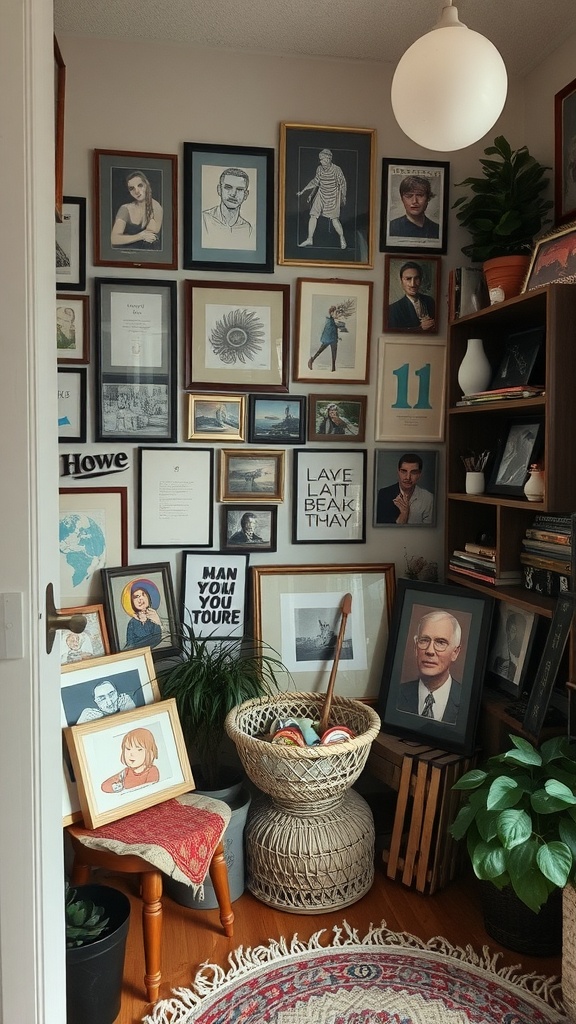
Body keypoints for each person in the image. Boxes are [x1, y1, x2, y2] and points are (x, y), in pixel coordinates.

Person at [396, 610, 462, 725]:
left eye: (441, 642)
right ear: (416, 647)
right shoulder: (396, 694)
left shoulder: (466, 701)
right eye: (424, 640)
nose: (430, 651)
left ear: (455, 652)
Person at [297, 148, 347, 249]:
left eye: (323, 159)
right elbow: (316, 182)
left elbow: (343, 184)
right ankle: (309, 239)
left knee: (334, 219)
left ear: (328, 159)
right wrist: (305, 191)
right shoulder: (319, 169)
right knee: (313, 215)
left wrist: (343, 196)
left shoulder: (337, 170)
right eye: (320, 159)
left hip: (333, 196)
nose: (321, 161)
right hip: (321, 194)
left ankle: (342, 238)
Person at [111, 169, 163, 250]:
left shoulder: (157, 207)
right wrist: (140, 236)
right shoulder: (125, 209)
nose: (136, 191)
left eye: (140, 185)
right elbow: (114, 239)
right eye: (132, 188)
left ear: (146, 185)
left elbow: (152, 236)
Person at [376, 453, 434, 524]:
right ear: (398, 472)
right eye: (404, 471)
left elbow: (427, 532)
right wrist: (404, 514)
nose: (408, 477)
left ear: (419, 475)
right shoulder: (383, 494)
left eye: (413, 472)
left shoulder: (429, 498)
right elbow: (382, 531)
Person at [202, 167, 253, 247]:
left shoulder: (247, 228)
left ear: (245, 195)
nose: (233, 194)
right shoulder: (203, 219)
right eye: (228, 187)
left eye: (239, 189)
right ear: (219, 190)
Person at [101, 727, 159, 793]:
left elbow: (152, 790)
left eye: (139, 749)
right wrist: (118, 786)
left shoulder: (152, 771)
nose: (131, 754)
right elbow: (104, 786)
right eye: (128, 749)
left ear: (150, 753)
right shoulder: (125, 772)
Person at [388, 261, 436, 332]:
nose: (413, 284)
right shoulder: (393, 309)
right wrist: (420, 328)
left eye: (416, 278)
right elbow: (394, 335)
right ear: (401, 281)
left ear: (421, 280)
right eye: (408, 279)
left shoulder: (430, 301)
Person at [389, 175, 439, 240]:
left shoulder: (437, 229)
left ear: (428, 198)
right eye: (409, 196)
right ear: (402, 199)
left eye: (420, 195)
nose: (414, 201)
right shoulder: (392, 228)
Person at [307, 305, 347, 372]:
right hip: (328, 339)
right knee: (320, 351)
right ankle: (312, 360)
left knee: (334, 354)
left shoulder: (334, 321)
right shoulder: (329, 321)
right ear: (331, 313)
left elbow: (335, 329)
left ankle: (333, 368)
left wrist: (338, 336)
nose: (336, 314)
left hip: (333, 339)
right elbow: (329, 330)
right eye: (335, 313)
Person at [124, 583, 163, 650]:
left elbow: (158, 638)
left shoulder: (154, 617)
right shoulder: (132, 622)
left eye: (143, 595)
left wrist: (158, 622)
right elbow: (130, 644)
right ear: (132, 602)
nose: (140, 599)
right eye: (136, 597)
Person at [493, 611, 525, 682]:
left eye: (514, 631)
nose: (511, 634)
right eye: (511, 630)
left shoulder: (518, 662)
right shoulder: (499, 659)